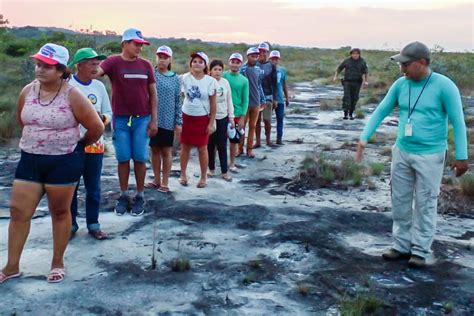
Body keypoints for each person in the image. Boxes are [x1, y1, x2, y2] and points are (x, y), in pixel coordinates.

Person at [356, 41, 469, 268]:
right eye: (401, 64)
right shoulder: (401, 85)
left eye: (406, 64)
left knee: (426, 202)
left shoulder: (444, 86)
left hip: (431, 155)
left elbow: (458, 121)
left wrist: (462, 156)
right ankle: (400, 245)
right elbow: (381, 110)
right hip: (402, 152)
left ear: (422, 63)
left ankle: (420, 250)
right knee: (400, 200)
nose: (402, 69)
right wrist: (363, 138)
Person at [0, 43, 104, 284]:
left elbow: (96, 127)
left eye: (46, 66)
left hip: (63, 161)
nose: (40, 69)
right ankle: (12, 266)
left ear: (60, 70)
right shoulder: (27, 91)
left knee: (59, 212)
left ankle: (57, 262)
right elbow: (22, 120)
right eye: (38, 64)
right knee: (18, 212)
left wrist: (76, 147)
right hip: (30, 159)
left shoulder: (73, 95)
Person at [97, 28, 158, 216]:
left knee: (140, 158)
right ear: (124, 44)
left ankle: (140, 195)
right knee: (123, 158)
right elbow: (96, 72)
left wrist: (154, 119)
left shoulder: (146, 65)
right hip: (121, 119)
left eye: (141, 44)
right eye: (136, 44)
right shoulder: (113, 62)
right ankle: (123, 195)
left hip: (142, 119)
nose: (139, 47)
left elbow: (152, 93)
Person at [68, 48, 111, 240]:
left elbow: (108, 113)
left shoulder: (99, 87)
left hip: (95, 144)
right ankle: (70, 225)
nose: (96, 67)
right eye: (92, 63)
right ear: (79, 65)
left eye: (97, 63)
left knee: (93, 187)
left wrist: (102, 120)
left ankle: (93, 224)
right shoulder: (67, 85)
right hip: (72, 145)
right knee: (71, 187)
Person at [145, 45, 182, 193]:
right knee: (154, 150)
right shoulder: (151, 74)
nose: (162, 60)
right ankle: (156, 179)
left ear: (170, 59)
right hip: (152, 119)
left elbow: (178, 101)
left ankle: (165, 182)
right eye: (160, 57)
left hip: (168, 120)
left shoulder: (175, 79)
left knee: (166, 151)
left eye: (165, 57)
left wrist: (178, 122)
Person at [179, 52, 217, 188]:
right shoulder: (184, 78)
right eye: (194, 61)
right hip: (186, 116)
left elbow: (213, 104)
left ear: (205, 65)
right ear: (190, 64)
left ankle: (203, 177)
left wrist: (211, 123)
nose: (197, 64)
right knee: (185, 147)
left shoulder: (210, 81)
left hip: (202, 118)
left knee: (202, 148)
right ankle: (183, 174)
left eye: (201, 62)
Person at [207, 59, 234, 181]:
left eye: (220, 70)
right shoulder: (207, 82)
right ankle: (210, 169)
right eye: (215, 69)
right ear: (210, 71)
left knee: (222, 145)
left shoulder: (225, 83)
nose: (217, 72)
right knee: (210, 145)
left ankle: (224, 171)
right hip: (209, 118)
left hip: (223, 117)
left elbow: (229, 100)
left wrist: (231, 117)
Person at [223, 53, 249, 171]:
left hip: (237, 113)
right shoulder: (223, 75)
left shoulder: (244, 80)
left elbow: (245, 100)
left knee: (233, 140)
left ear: (241, 64)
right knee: (219, 140)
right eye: (232, 61)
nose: (234, 64)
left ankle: (232, 163)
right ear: (229, 62)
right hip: (223, 112)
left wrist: (243, 117)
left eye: (237, 62)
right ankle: (214, 164)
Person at [240, 47, 265, 158]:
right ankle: (240, 149)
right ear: (248, 56)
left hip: (256, 102)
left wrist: (263, 99)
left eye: (256, 56)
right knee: (241, 127)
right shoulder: (242, 70)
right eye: (252, 56)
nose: (254, 58)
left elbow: (259, 86)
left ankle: (249, 149)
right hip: (245, 103)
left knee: (252, 127)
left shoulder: (259, 70)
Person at [333, 48, 369, 120]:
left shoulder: (362, 62)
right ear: (351, 54)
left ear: (359, 54)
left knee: (354, 98)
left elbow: (366, 72)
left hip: (357, 82)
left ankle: (351, 114)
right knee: (347, 97)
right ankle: (345, 114)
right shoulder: (347, 61)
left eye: (356, 54)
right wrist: (335, 77)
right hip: (347, 82)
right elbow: (339, 69)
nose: (355, 55)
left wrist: (366, 81)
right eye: (353, 54)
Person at [255, 42, 278, 147]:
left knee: (267, 120)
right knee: (256, 120)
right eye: (260, 51)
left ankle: (268, 140)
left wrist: (275, 98)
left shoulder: (272, 66)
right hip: (255, 96)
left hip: (268, 96)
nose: (261, 53)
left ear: (267, 52)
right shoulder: (253, 64)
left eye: (264, 51)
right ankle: (258, 141)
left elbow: (275, 84)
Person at [269, 50, 289, 145]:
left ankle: (279, 137)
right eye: (273, 58)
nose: (274, 60)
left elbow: (284, 84)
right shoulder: (267, 69)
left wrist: (287, 97)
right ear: (270, 59)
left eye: (276, 59)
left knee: (280, 118)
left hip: (280, 98)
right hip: (268, 97)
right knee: (267, 119)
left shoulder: (282, 70)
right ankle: (267, 139)